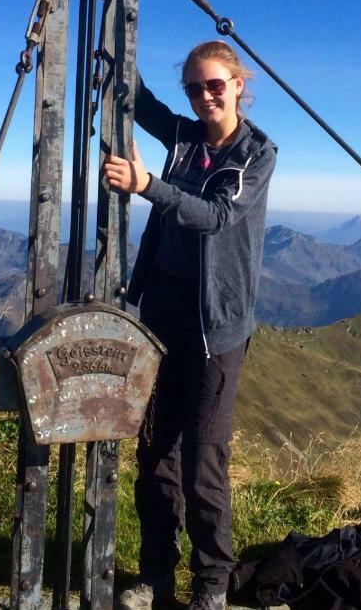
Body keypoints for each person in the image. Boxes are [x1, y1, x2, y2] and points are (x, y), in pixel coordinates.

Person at [104, 40, 277, 610]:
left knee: (204, 459)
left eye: (215, 85)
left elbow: (219, 217)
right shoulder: (183, 137)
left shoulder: (255, 153)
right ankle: (156, 573)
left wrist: (147, 185)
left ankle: (210, 585)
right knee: (156, 453)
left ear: (237, 85)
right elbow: (140, 99)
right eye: (196, 88)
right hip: (162, 315)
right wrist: (113, 18)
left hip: (216, 328)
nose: (205, 97)